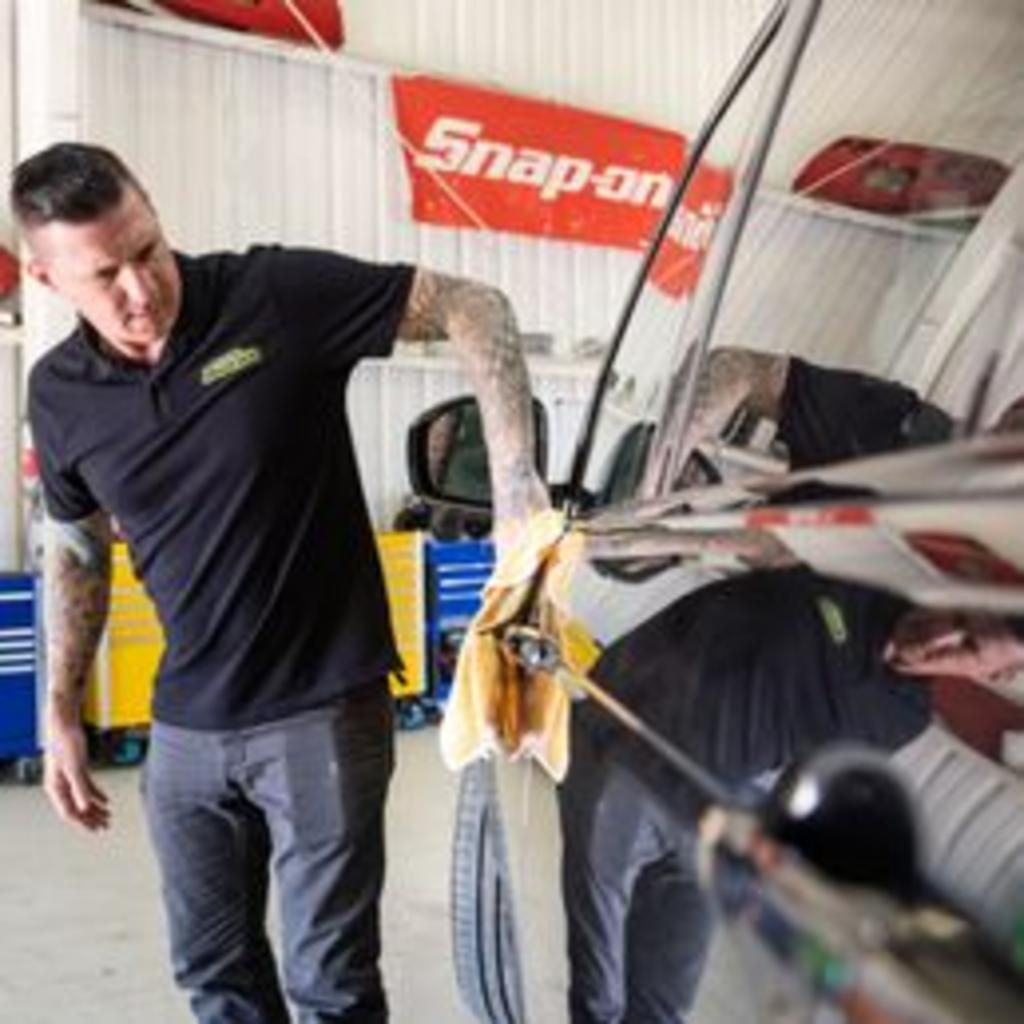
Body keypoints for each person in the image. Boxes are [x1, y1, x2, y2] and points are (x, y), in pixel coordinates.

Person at [12, 141, 548, 1024]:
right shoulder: (59, 393)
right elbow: (76, 549)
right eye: (105, 273)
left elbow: (471, 304)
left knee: (328, 987)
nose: (142, 289)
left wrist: (516, 486)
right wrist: (60, 709)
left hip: (322, 711)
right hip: (183, 725)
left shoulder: (271, 296)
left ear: (154, 210)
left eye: (147, 248)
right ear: (47, 275)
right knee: (213, 976)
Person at [558, 348, 1024, 1024]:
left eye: (972, 645)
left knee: (664, 1005)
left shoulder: (900, 717)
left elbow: (802, 780)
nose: (939, 640)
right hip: (624, 737)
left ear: (999, 674)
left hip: (714, 809)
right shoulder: (898, 454)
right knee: (596, 994)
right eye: (953, 608)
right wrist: (663, 476)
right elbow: (735, 369)